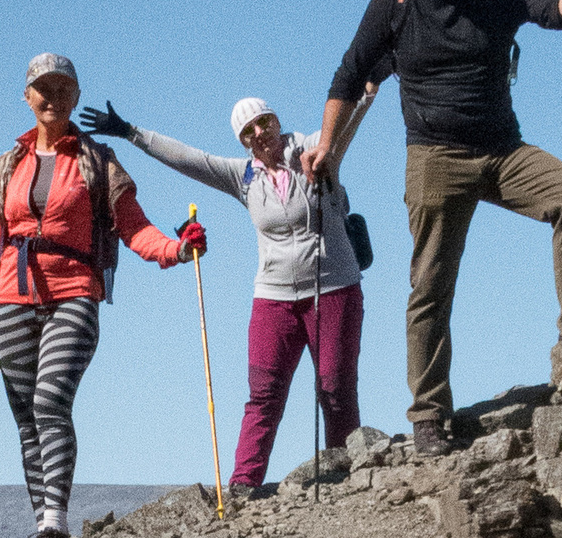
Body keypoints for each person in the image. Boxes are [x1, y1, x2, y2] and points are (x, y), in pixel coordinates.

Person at [304, 0, 562, 454]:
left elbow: (555, 10)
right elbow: (349, 74)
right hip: (434, 158)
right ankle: (429, 415)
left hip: (503, 150)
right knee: (430, 284)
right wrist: (326, 146)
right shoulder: (394, 5)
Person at [0, 54, 187, 538]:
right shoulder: (7, 166)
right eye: (42, 87)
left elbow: (134, 228)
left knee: (50, 400)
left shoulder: (97, 161)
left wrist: (175, 249)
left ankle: (55, 523)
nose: (52, 96)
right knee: (26, 419)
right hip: (12, 302)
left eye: (63, 88)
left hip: (74, 292)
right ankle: (43, 526)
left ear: (76, 96)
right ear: (27, 96)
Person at [78, 93, 361, 493]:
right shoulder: (242, 176)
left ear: (276, 120)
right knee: (264, 393)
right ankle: (244, 482)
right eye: (248, 131)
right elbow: (189, 159)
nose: (259, 133)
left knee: (335, 386)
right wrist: (129, 132)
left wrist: (365, 92)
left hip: (334, 288)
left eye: (263, 122)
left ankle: (344, 472)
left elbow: (347, 122)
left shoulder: (316, 150)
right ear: (243, 141)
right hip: (273, 296)